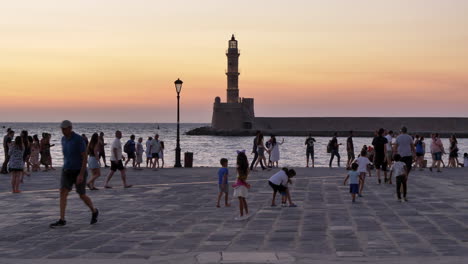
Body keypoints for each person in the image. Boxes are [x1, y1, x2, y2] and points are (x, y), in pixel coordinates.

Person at [50, 120, 98, 228]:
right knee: (63, 192)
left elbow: (84, 157)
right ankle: (62, 219)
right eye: (62, 129)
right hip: (66, 170)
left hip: (78, 171)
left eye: (65, 129)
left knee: (82, 195)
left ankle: (94, 211)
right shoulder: (63, 139)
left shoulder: (78, 140)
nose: (63, 131)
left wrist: (81, 174)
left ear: (70, 128)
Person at [233, 151, 250, 220]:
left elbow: (239, 177)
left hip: (239, 185)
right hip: (243, 185)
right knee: (243, 199)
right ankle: (247, 213)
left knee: (240, 200)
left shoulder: (238, 167)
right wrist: (246, 183)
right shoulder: (246, 167)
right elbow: (244, 177)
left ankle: (241, 215)